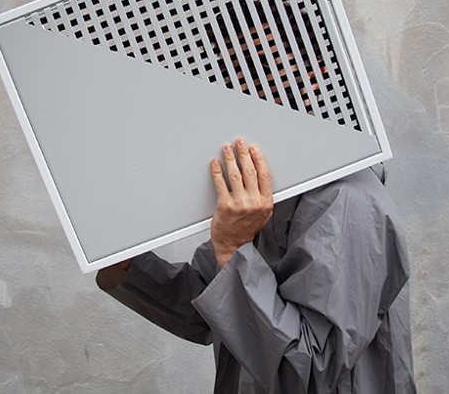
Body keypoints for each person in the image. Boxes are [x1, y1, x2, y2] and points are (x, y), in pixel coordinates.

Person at [96, 138, 416, 393]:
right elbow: (211, 307)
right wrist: (125, 262)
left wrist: (233, 249)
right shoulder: (273, 190)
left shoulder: (345, 199)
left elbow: (310, 374)